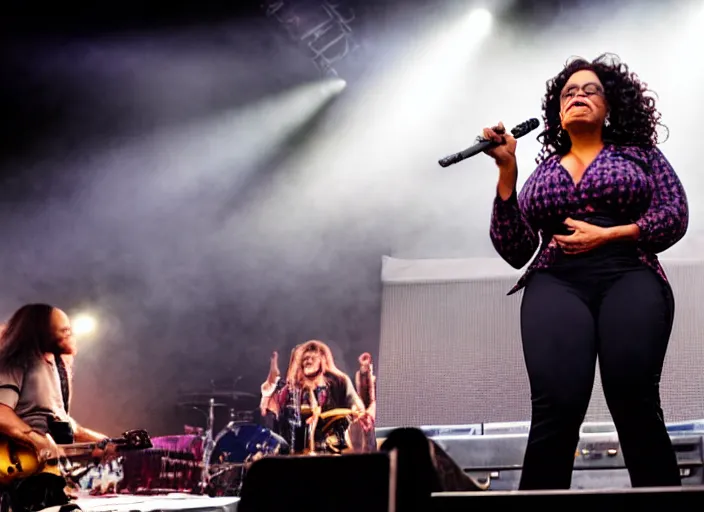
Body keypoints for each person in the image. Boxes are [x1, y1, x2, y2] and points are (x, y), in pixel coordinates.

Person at [485, 54, 688, 490]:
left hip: (628, 271)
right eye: (569, 93)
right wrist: (507, 173)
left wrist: (613, 234)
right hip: (555, 279)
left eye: (590, 90)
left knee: (634, 401)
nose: (578, 96)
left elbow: (674, 214)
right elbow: (515, 248)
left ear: (609, 106)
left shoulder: (639, 155)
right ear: (558, 112)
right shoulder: (540, 172)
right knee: (554, 410)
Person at [0, 304, 110, 508]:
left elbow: (62, 420)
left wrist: (100, 441)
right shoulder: (15, 362)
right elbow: (1, 412)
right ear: (42, 333)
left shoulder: (60, 368)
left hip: (51, 472)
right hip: (20, 471)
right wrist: (35, 438)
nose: (71, 335)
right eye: (65, 330)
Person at [260, 340, 372, 454]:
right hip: (296, 455)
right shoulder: (291, 390)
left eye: (312, 358)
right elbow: (269, 409)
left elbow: (357, 407)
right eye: (305, 358)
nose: (308, 361)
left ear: (322, 360)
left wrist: (365, 375)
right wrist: (269, 389)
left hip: (331, 452)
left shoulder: (339, 383)